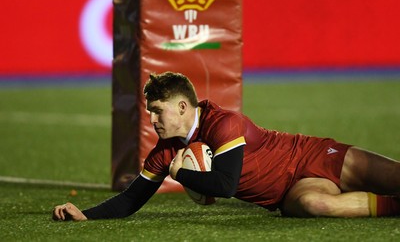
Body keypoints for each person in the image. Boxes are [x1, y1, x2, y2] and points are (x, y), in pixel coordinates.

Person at [53, 71, 400, 221]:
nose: (153, 120)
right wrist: (86, 214)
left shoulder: (224, 124)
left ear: (183, 108)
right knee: (315, 204)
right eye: (150, 113)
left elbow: (225, 184)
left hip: (311, 155)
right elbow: (132, 198)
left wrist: (181, 175)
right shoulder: (166, 150)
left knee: (394, 175)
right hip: (288, 193)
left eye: (158, 111)